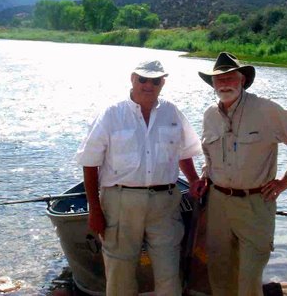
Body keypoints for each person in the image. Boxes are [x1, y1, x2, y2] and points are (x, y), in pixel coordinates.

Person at [190, 52, 287, 296]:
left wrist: (286, 180)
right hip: (218, 205)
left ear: (243, 81)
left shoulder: (265, 109)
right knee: (219, 273)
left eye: (230, 77)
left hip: (256, 205)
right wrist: (205, 177)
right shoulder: (209, 115)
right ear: (213, 84)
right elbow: (209, 156)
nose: (225, 83)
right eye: (219, 79)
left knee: (249, 279)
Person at [76, 60, 202, 296]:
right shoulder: (111, 113)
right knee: (120, 272)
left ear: (163, 82)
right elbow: (90, 162)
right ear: (132, 79)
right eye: (143, 79)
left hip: (165, 203)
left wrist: (194, 180)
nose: (148, 85)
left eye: (155, 81)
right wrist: (95, 208)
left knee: (169, 271)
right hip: (121, 202)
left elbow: (184, 152)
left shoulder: (172, 112)